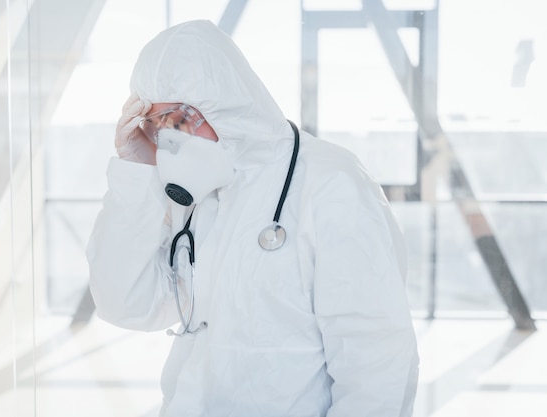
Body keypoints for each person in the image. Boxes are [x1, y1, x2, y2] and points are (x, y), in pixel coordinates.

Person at [87, 19, 419, 417]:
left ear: (220, 100)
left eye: (176, 120)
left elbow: (377, 366)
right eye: (155, 126)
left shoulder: (331, 184)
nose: (168, 140)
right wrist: (136, 178)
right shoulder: (197, 191)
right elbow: (126, 305)